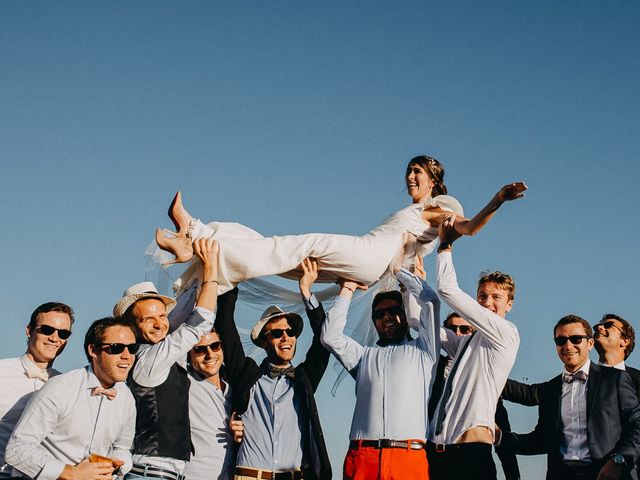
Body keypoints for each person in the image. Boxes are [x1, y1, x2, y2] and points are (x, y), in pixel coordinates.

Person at [153, 156, 526, 296]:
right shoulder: (417, 215)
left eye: (418, 171)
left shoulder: (437, 207)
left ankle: (196, 236)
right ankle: (197, 240)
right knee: (276, 251)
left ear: (433, 181)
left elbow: (470, 227)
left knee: (306, 241)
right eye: (409, 170)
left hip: (367, 253)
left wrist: (497, 200)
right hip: (365, 264)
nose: (410, 175)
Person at [213, 258, 331, 480]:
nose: (285, 336)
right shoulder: (246, 374)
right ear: (264, 342)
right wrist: (231, 276)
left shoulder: (304, 379)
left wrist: (306, 292)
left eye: (290, 332)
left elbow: (325, 340)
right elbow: (225, 325)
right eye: (277, 333)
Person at [320, 262, 439, 480]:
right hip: (362, 458)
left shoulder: (424, 350)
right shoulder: (363, 356)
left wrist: (400, 273)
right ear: (374, 321)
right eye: (379, 314)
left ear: (404, 314)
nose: (387, 317)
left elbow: (431, 303)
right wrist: (347, 289)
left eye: (394, 311)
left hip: (408, 458)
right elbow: (330, 337)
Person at [114, 238, 220, 480]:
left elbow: (184, 311)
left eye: (162, 316)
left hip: (164, 474)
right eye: (147, 319)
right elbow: (199, 321)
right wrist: (211, 267)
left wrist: (196, 265)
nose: (159, 324)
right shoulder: (149, 358)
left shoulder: (159, 346)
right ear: (131, 325)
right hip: (149, 473)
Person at [426, 217, 520, 480]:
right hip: (437, 454)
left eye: (496, 297)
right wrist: (408, 274)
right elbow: (418, 321)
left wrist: (445, 247)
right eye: (482, 296)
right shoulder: (465, 341)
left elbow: (447, 289)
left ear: (509, 305)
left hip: (471, 456)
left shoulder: (506, 334)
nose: (487, 303)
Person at [499, 315, 640, 480]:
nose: (568, 345)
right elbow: (541, 440)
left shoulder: (616, 379)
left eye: (576, 339)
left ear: (590, 343)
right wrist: (500, 437)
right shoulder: (551, 390)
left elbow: (637, 425)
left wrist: (619, 461)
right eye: (561, 341)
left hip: (608, 474)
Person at [5, 316, 138, 480]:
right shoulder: (59, 388)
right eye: (116, 348)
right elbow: (17, 449)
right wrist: (70, 473)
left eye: (132, 348)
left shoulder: (127, 398)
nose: (127, 356)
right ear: (93, 350)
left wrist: (116, 465)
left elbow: (124, 448)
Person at [0, 302, 74, 479]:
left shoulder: (68, 385)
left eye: (63, 333)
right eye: (47, 330)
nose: (54, 338)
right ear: (29, 331)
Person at [183, 330, 235, 480]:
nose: (210, 354)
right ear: (188, 354)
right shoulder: (184, 383)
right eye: (199, 349)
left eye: (215, 346)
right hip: (196, 474)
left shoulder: (236, 389)